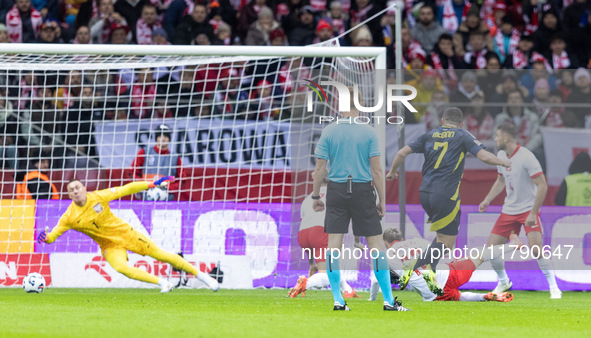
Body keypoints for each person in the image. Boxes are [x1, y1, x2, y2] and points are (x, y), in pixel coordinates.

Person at [386, 107, 510, 294]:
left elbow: (402, 153)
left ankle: (431, 277)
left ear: (443, 120)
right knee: (446, 244)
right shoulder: (462, 135)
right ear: (461, 124)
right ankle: (415, 268)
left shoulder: (429, 134)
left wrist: (392, 171)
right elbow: (483, 156)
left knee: (439, 238)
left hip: (425, 193)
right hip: (446, 195)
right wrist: (503, 162)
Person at [313, 87, 409, 312]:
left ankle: (338, 300)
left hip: (336, 189)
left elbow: (319, 168)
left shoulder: (329, 131)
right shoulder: (368, 132)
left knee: (333, 247)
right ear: (361, 103)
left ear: (340, 104)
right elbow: (377, 171)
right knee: (376, 246)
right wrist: (382, 200)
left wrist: (316, 195)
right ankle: (388, 301)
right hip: (362, 189)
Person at [37, 177, 219, 293]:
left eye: (77, 187)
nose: (75, 191)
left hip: (127, 234)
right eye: (71, 190)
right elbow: (53, 236)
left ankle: (203, 276)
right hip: (110, 246)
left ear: (84, 188)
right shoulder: (69, 217)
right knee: (121, 268)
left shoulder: (99, 196)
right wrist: (46, 237)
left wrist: (151, 184)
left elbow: (126, 189)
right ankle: (163, 282)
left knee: (161, 255)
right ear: (69, 195)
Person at [479, 124, 561, 299]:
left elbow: (542, 185)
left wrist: (533, 212)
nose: (495, 139)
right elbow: (500, 180)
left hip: (527, 210)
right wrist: (487, 199)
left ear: (506, 139)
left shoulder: (527, 157)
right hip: (509, 210)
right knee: (492, 250)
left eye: (497, 136)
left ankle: (554, 287)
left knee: (536, 250)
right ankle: (504, 281)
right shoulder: (501, 155)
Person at [369, 228, 518, 302]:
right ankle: (514, 245)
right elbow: (444, 253)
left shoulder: (388, 255)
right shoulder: (417, 241)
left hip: (433, 294)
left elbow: (376, 280)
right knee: (478, 257)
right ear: (402, 238)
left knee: (455, 296)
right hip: (448, 273)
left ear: (387, 244)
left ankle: (482, 297)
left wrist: (372, 299)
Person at [287, 170, 359, 299]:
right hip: (321, 232)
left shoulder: (308, 198)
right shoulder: (337, 194)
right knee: (327, 273)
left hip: (303, 235)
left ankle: (347, 290)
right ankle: (306, 283)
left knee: (331, 265)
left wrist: (311, 264)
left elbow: (306, 230)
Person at [126, 124, 185, 200]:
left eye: (166, 136)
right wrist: (144, 186)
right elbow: (132, 172)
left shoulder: (175, 157)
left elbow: (182, 178)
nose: (163, 139)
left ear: (169, 139)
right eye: (160, 136)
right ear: (156, 138)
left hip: (167, 199)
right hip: (146, 197)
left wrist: (169, 188)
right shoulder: (145, 152)